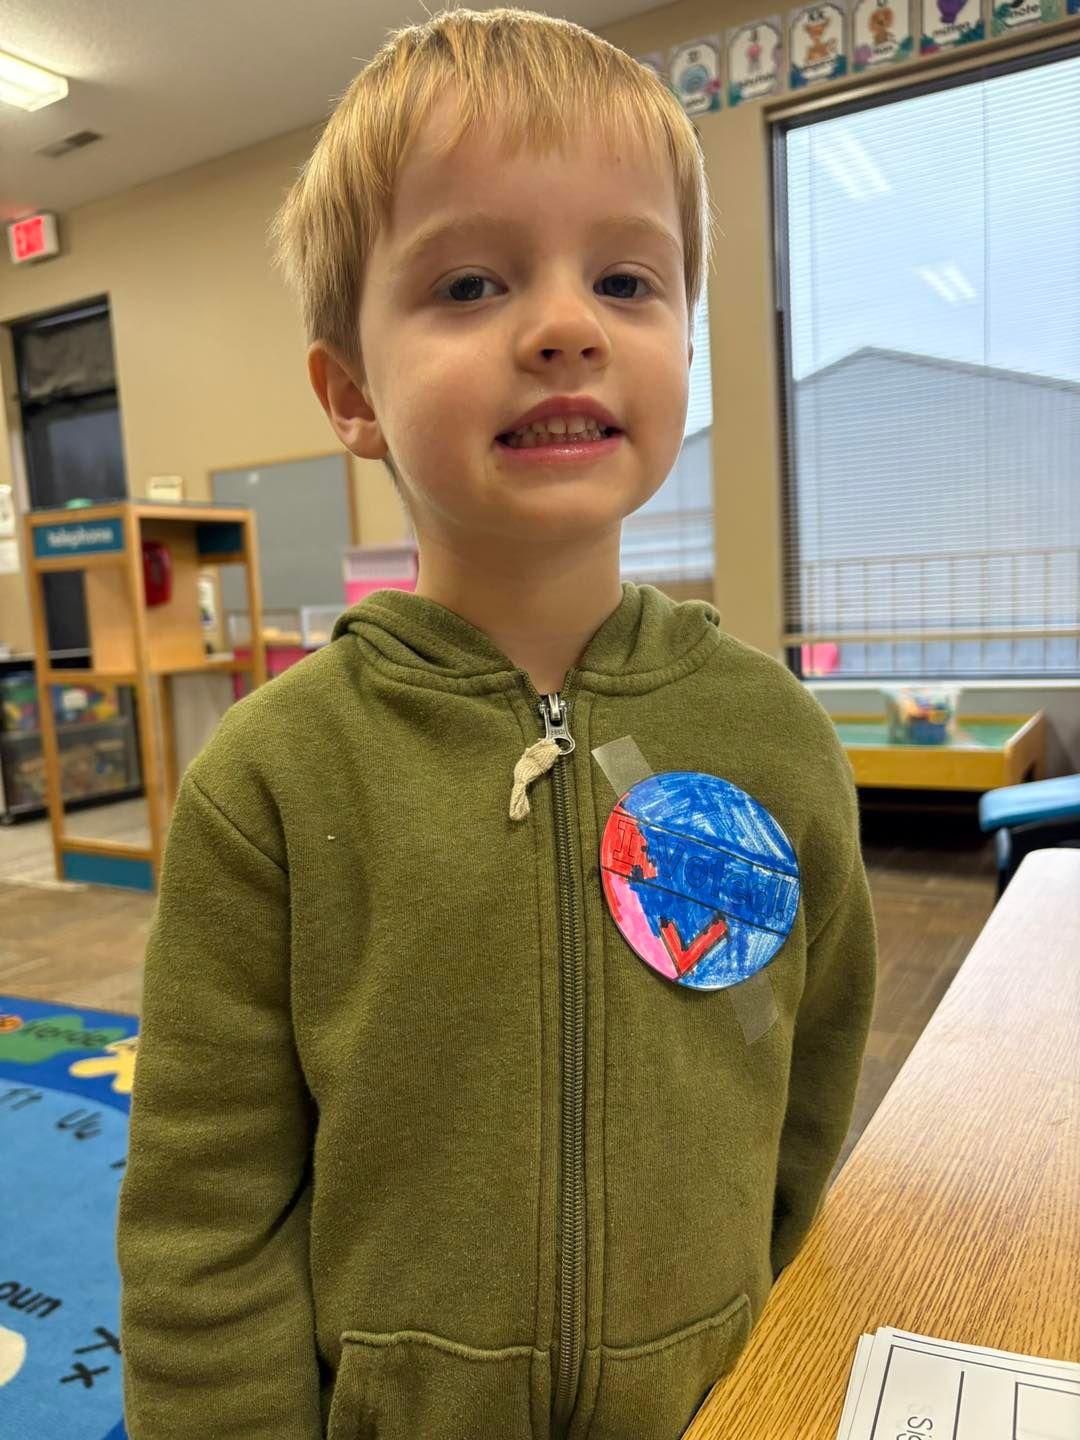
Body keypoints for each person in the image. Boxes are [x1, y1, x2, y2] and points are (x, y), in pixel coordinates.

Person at [116, 8, 878, 1438]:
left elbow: (809, 1096)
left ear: (686, 345)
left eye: (627, 280)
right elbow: (203, 1217)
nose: (567, 325)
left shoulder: (775, 739)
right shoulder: (272, 783)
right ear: (350, 393)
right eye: (471, 281)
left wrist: (763, 1356)